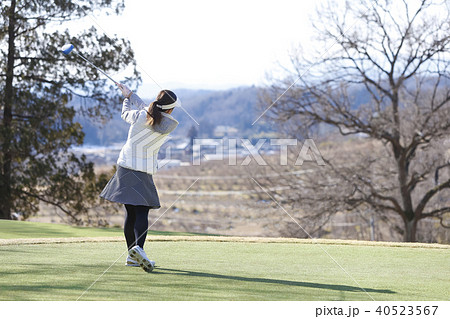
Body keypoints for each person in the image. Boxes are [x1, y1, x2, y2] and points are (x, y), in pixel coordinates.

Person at [100, 83, 179, 272]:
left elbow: (130, 112)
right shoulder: (168, 124)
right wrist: (131, 95)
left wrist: (127, 98)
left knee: (131, 212)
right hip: (143, 170)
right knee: (143, 211)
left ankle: (131, 255)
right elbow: (149, 110)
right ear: (170, 108)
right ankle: (139, 250)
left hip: (125, 166)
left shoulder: (139, 115)